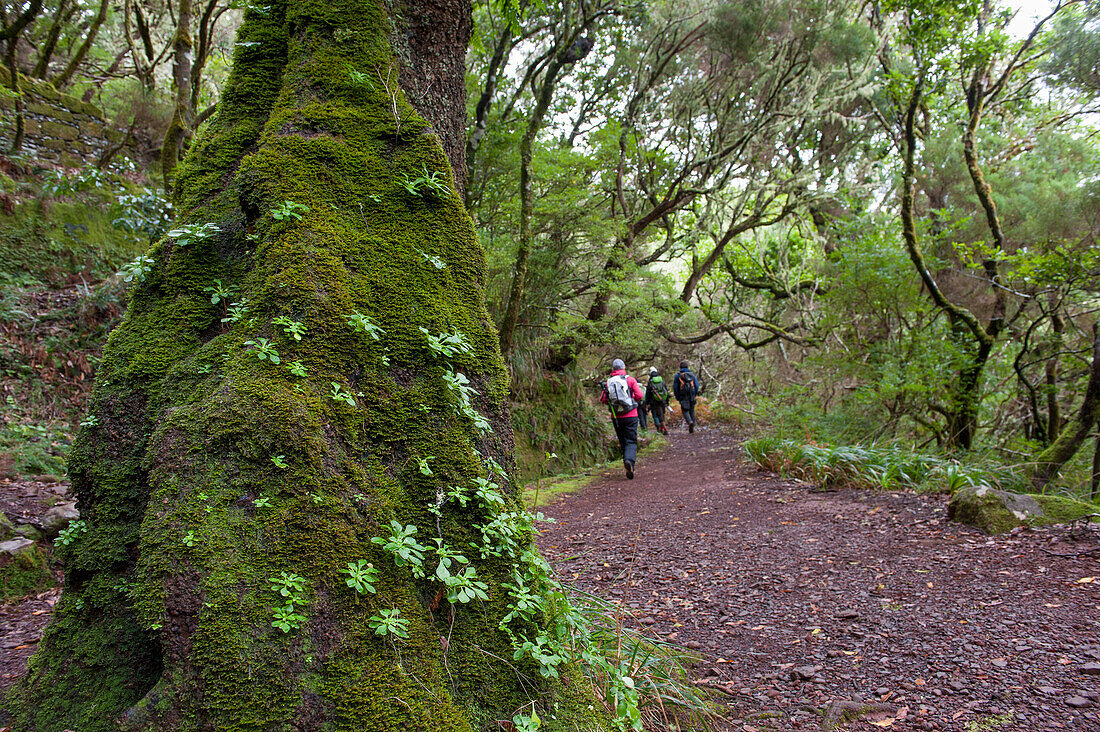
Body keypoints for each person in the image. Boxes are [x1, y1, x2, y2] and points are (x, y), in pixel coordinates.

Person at [599, 358, 645, 479]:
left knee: (623, 440)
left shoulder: (608, 382)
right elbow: (640, 395)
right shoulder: (630, 380)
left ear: (613, 369)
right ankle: (629, 461)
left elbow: (603, 399)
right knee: (631, 440)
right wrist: (632, 399)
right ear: (624, 368)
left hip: (616, 417)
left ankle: (628, 463)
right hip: (631, 414)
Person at [673, 360, 700, 433]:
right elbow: (697, 386)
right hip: (691, 394)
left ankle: (689, 421)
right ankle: (692, 426)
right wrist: (694, 394)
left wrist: (677, 396)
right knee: (692, 410)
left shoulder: (678, 376)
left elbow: (675, 387)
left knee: (685, 410)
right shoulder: (692, 375)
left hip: (683, 395)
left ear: (680, 368)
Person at [645, 367, 670, 435]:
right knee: (662, 413)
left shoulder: (651, 382)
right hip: (662, 400)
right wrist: (667, 401)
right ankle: (662, 428)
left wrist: (647, 402)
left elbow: (648, 393)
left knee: (657, 414)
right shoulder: (662, 381)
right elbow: (666, 391)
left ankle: (661, 427)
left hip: (654, 401)